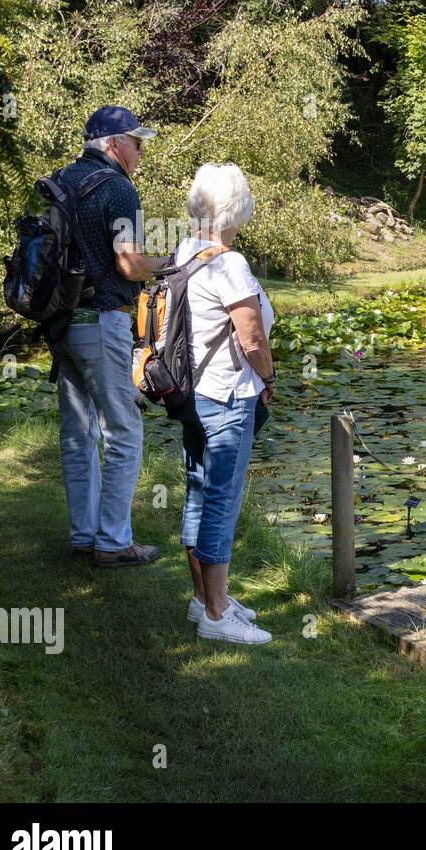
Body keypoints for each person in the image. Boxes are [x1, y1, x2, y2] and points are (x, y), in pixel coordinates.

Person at [58, 106, 169, 567]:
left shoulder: (59, 181)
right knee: (123, 430)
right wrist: (172, 263)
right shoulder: (119, 190)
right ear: (112, 144)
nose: (141, 150)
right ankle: (113, 543)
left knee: (77, 434)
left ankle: (85, 535)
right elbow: (128, 264)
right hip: (104, 320)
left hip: (62, 323)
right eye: (136, 141)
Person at [174, 163, 276, 645]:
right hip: (228, 396)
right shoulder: (229, 263)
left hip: (192, 394)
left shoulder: (186, 250)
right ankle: (217, 616)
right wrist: (269, 379)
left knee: (198, 491)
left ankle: (203, 599)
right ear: (236, 209)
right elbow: (252, 339)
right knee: (221, 502)